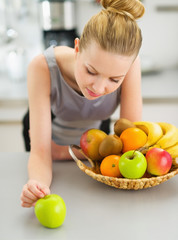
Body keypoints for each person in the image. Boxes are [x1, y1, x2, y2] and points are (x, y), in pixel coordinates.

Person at [20, 0, 145, 208]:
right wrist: (37, 186)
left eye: (114, 80)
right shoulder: (41, 67)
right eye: (91, 71)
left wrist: (64, 152)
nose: (98, 87)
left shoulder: (130, 67)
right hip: (49, 137)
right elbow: (41, 153)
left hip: (94, 144)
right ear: (77, 48)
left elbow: (129, 145)